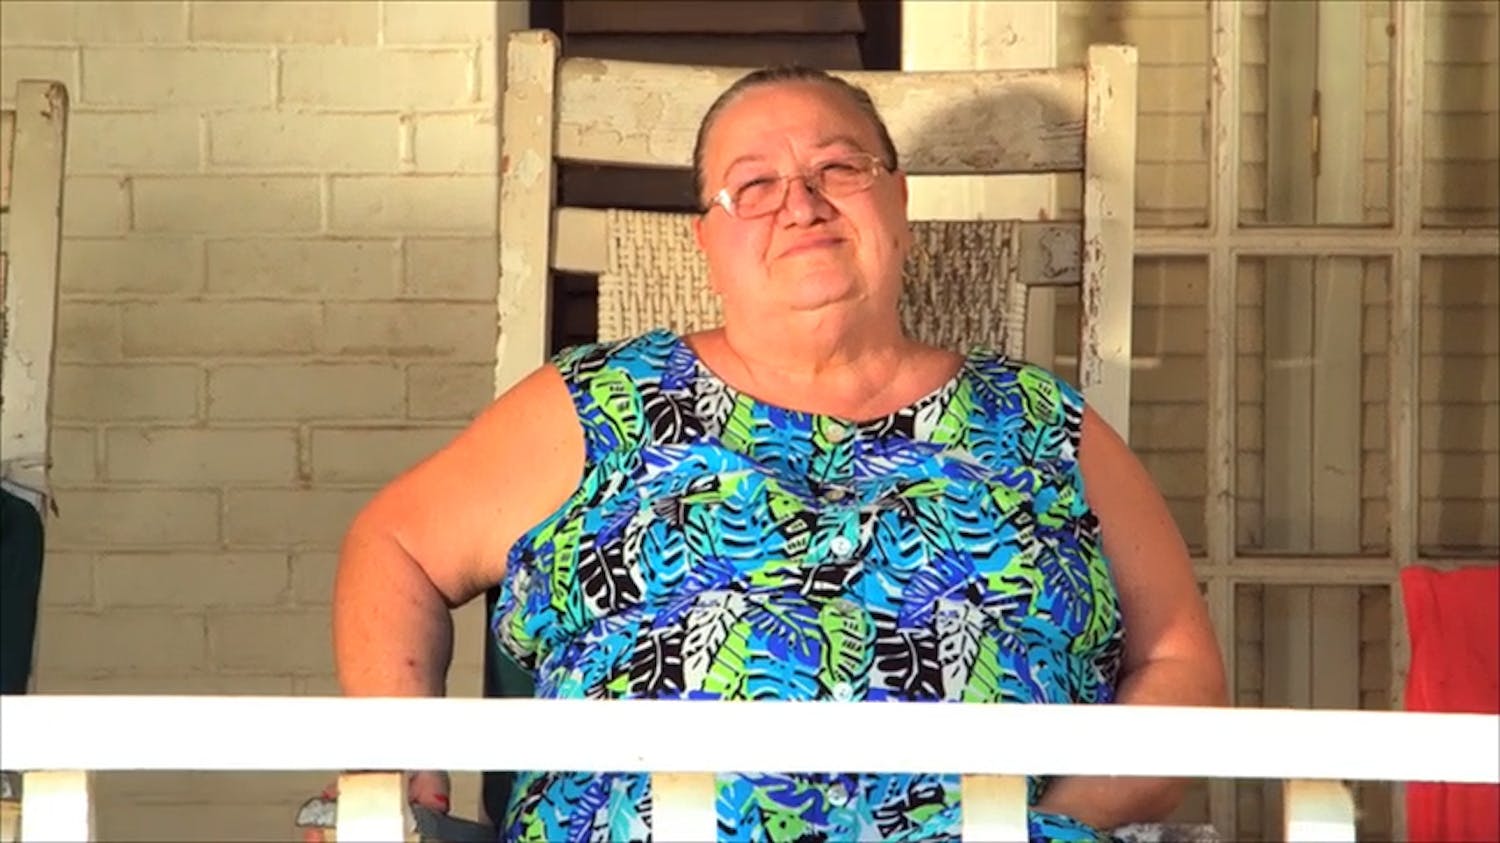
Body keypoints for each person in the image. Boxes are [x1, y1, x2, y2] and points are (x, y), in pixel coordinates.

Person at [329, 65, 1227, 842]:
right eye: (752, 186)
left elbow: (1181, 665)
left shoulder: (1041, 423)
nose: (801, 202)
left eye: (839, 166)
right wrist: (397, 758)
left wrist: (1044, 820)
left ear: (900, 201)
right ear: (708, 242)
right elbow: (395, 545)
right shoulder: (594, 403)